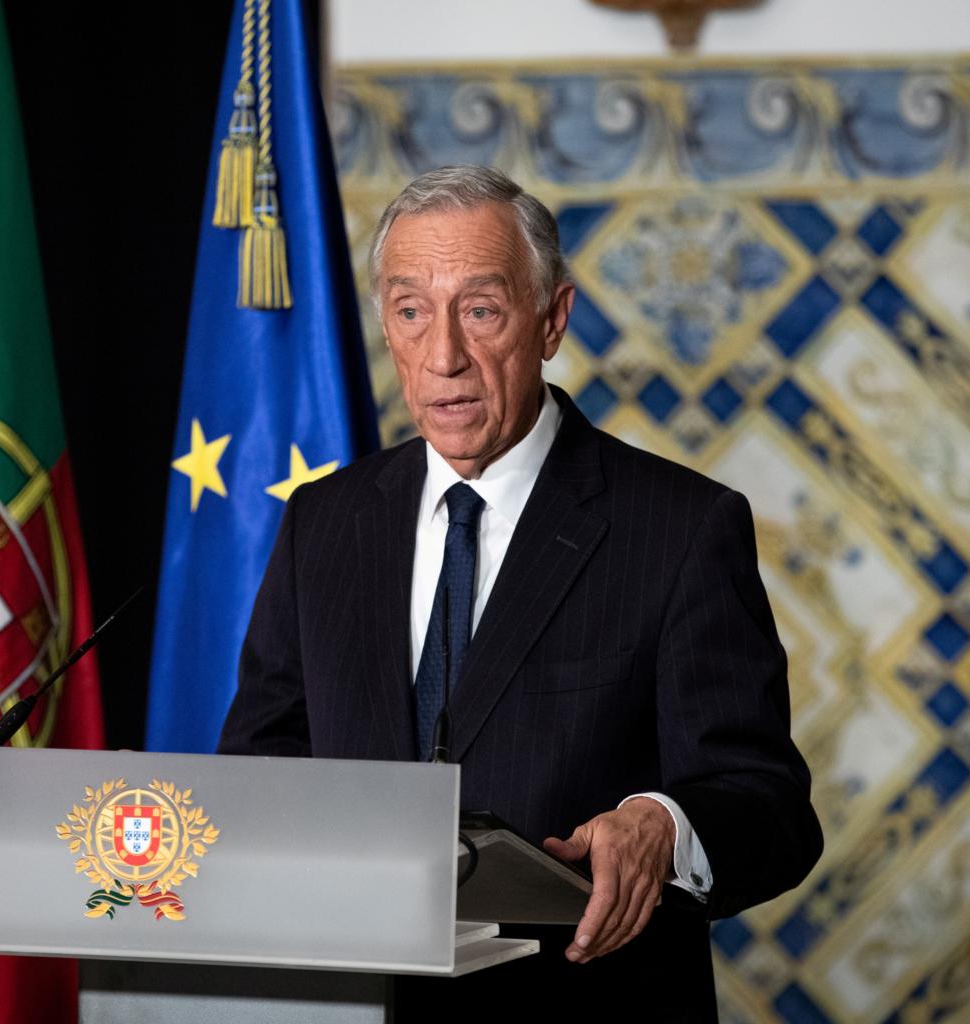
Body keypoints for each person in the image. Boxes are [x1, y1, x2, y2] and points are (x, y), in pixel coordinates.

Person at [218, 165, 822, 1019]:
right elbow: (261, 765)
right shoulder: (326, 520)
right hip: (351, 1002)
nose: (443, 357)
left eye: (481, 310)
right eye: (411, 311)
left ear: (552, 319)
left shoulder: (681, 528)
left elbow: (769, 807)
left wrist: (663, 824)